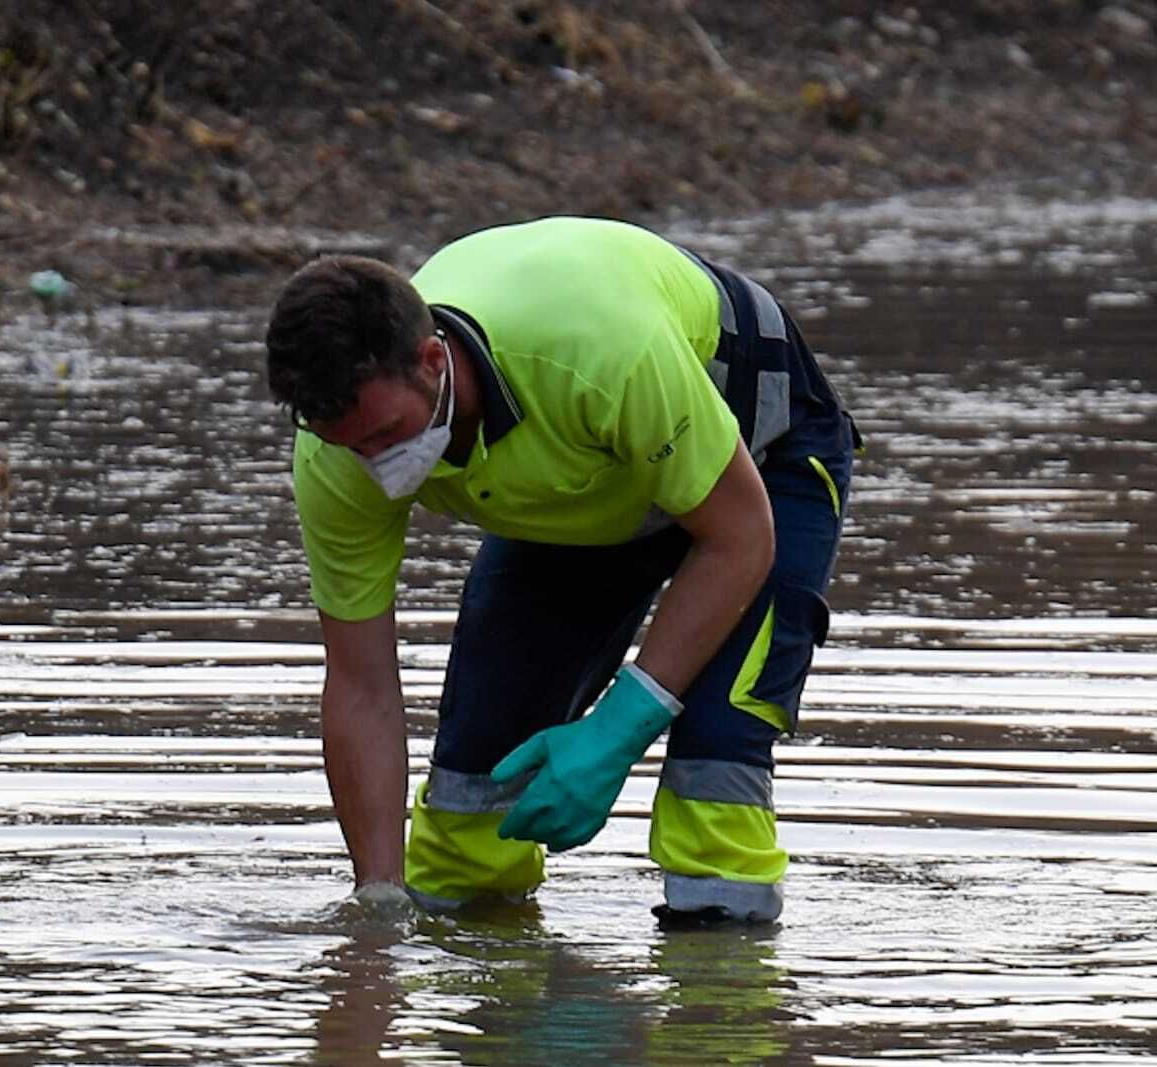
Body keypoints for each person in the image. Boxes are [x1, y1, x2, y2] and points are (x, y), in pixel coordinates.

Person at [264, 216, 859, 925]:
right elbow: (360, 684)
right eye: (348, 446)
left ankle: (720, 1006)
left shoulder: (601, 352)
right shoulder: (337, 458)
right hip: (583, 482)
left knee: (715, 768)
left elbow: (738, 536)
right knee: (473, 791)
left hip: (759, 462)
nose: (373, 465)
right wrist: (380, 903)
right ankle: (489, 1005)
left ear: (431, 360)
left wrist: (618, 729)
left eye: (387, 435)